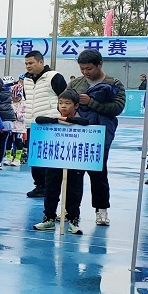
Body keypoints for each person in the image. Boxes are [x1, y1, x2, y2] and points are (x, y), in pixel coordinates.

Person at [69, 49, 125, 226]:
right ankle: (72, 211)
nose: (85, 72)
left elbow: (117, 108)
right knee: (74, 175)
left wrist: (91, 102)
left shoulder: (113, 83)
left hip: (100, 135)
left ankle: (101, 210)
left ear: (100, 64)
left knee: (99, 174)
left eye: (89, 68)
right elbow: (63, 103)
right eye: (82, 69)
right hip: (77, 134)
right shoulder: (75, 83)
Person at [31, 90, 88, 234]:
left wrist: (67, 120)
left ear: (76, 106)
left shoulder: (80, 120)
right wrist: (56, 120)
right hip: (54, 160)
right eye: (60, 103)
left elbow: (86, 122)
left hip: (74, 161)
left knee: (74, 190)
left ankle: (73, 219)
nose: (63, 106)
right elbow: (38, 120)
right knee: (51, 188)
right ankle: (49, 218)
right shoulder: (53, 118)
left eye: (67, 103)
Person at [21, 51, 67, 198]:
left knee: (50, 157)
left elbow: (65, 98)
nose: (28, 66)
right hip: (33, 124)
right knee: (35, 157)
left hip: (51, 124)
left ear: (41, 62)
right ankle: (39, 186)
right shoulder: (26, 80)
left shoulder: (54, 77)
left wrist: (60, 117)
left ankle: (52, 187)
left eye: (31, 63)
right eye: (26, 64)